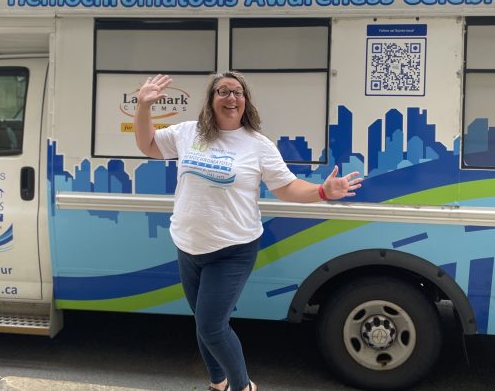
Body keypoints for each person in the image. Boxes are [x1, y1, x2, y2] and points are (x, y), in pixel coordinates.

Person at [134, 72, 362, 391]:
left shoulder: (257, 145)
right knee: (204, 324)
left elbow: (286, 187)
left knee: (212, 325)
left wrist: (322, 191)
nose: (231, 97)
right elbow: (148, 145)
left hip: (232, 250)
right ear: (211, 100)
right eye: (223, 91)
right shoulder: (189, 132)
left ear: (245, 102)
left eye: (238, 92)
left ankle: (243, 387)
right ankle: (218, 383)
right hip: (188, 248)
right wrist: (143, 107)